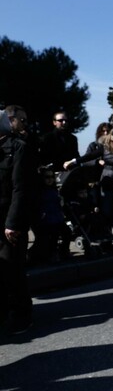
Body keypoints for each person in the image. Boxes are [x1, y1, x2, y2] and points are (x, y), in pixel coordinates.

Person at [0, 106, 36, 335]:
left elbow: (20, 189)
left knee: (12, 269)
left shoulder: (18, 148)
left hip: (9, 222)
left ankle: (22, 314)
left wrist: (12, 223)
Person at [28, 168, 72, 264]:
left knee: (67, 233)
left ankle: (62, 251)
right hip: (45, 220)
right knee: (48, 237)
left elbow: (58, 205)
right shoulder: (39, 192)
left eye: (52, 177)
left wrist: (61, 203)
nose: (50, 179)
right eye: (47, 177)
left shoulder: (55, 190)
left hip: (56, 218)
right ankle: (49, 254)